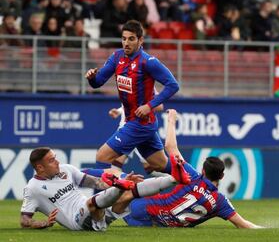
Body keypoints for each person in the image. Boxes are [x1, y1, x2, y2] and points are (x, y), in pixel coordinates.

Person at [123, 109, 263, 228]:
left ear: (203, 171)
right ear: (222, 176)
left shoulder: (191, 177)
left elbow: (170, 147)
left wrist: (171, 120)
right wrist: (266, 228)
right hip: (163, 224)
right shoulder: (220, 202)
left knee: (122, 185)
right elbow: (244, 225)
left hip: (140, 209)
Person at [85, 20, 179, 174]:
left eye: (131, 39)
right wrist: (91, 77)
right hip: (137, 122)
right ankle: (194, 178)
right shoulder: (117, 57)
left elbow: (173, 85)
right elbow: (98, 82)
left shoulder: (148, 62)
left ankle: (101, 197)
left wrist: (149, 106)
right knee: (161, 165)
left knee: (102, 156)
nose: (126, 43)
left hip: (139, 124)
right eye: (124, 39)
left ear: (140, 40)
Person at [20, 146, 190, 231]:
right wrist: (43, 223)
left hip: (94, 212)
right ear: (40, 168)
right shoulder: (33, 188)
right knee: (92, 203)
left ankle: (174, 178)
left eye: (55, 158)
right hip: (76, 220)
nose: (57, 162)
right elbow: (24, 221)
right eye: (51, 161)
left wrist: (113, 184)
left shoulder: (66, 169)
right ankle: (118, 189)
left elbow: (95, 183)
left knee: (129, 192)